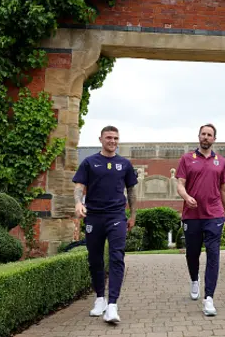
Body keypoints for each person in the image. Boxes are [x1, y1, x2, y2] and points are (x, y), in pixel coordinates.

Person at [72, 125, 138, 323]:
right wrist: (77, 203)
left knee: (117, 257)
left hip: (117, 216)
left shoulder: (124, 164)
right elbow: (79, 186)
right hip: (94, 217)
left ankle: (112, 305)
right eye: (109, 137)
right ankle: (100, 298)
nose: (113, 141)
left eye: (116, 138)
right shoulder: (89, 162)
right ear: (101, 139)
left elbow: (132, 191)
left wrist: (133, 214)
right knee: (95, 259)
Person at [176, 123, 225, 316]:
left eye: (209, 135)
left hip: (214, 215)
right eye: (203, 134)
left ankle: (209, 298)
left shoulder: (221, 162)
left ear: (214, 139)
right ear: (198, 137)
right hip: (191, 216)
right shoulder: (186, 159)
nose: (206, 137)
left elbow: (224, 190)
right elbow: (180, 185)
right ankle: (194, 280)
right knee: (192, 253)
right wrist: (186, 197)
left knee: (213, 254)